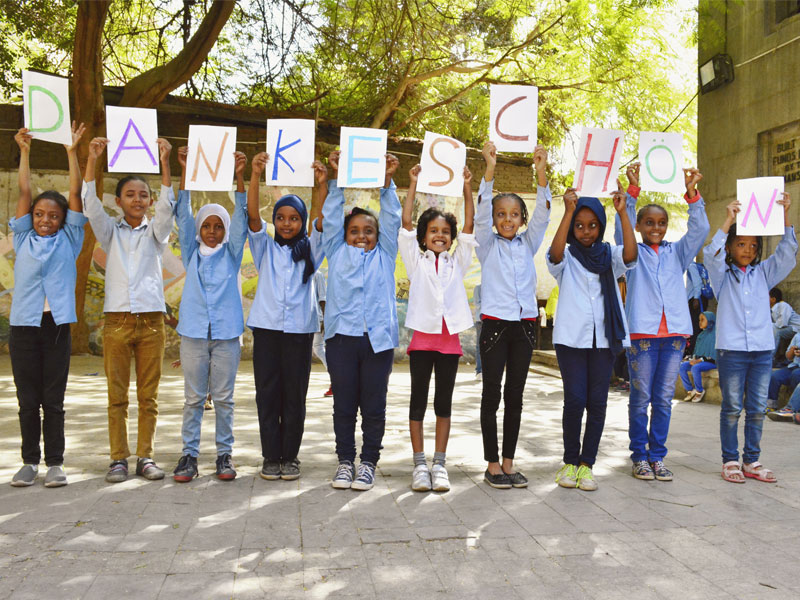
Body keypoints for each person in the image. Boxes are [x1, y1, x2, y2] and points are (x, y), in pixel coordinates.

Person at [83, 136, 175, 483]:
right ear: (119, 201)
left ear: (149, 200)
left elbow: (167, 207)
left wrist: (165, 162)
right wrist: (93, 158)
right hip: (117, 323)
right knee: (116, 395)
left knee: (148, 397)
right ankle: (118, 458)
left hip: (152, 323)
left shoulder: (156, 233)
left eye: (143, 194)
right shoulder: (110, 233)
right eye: (130, 195)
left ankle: (146, 457)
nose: (138, 199)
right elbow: (90, 203)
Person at [614, 162, 709, 482]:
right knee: (641, 397)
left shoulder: (677, 253)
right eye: (649, 222)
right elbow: (620, 229)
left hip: (674, 337)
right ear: (639, 226)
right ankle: (639, 455)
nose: (656, 227)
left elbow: (699, 231)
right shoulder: (631, 252)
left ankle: (658, 457)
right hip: (642, 333)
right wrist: (632, 191)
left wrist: (692, 193)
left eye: (662, 222)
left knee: (664, 398)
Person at [8, 124, 87, 488]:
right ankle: (29, 462)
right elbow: (24, 189)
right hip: (24, 327)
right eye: (39, 214)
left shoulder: (69, 239)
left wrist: (71, 152)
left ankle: (55, 463)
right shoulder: (22, 236)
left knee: (53, 400)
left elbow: (74, 192)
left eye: (53, 215)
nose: (45, 220)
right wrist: (25, 151)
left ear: (62, 220)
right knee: (27, 400)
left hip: (56, 327)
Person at [548, 182, 637, 492]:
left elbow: (630, 254)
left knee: (597, 403)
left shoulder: (609, 255)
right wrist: (567, 211)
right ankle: (569, 462)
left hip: (604, 341)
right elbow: (554, 255)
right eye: (580, 226)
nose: (585, 231)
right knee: (574, 399)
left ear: (601, 227)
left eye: (592, 225)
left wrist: (623, 213)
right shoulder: (568, 256)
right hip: (571, 339)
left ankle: (587, 465)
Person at [323, 150, 401, 491]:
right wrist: (337, 177)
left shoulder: (385, 254)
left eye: (368, 230)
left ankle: (368, 462)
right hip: (341, 339)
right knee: (344, 404)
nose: (361, 235)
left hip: (378, 340)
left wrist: (386, 181)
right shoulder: (336, 251)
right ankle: (344, 461)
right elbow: (329, 217)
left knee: (373, 403)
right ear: (343, 235)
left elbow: (393, 218)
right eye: (353, 230)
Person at [475, 141, 551, 489]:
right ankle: (492, 464)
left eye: (514, 214)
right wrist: (489, 167)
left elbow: (544, 216)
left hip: (523, 327)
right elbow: (477, 215)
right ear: (493, 220)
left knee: (515, 397)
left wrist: (540, 173)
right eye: (501, 214)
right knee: (492, 394)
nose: (508, 219)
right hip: (494, 326)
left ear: (521, 220)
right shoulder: (486, 244)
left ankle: (509, 462)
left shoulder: (528, 244)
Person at [704, 193, 795, 484]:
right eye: (741, 243)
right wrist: (729, 219)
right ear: (730, 246)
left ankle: (751, 461)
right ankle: (730, 460)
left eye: (754, 245)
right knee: (732, 408)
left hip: (761, 351)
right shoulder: (722, 276)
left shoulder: (764, 273)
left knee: (756, 409)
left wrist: (785, 215)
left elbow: (787, 252)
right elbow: (710, 255)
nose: (748, 249)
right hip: (732, 351)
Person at [170, 148, 248, 482]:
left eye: (218, 226)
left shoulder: (231, 254)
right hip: (193, 334)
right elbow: (183, 216)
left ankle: (224, 455)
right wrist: (185, 170)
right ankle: (189, 455)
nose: (212, 231)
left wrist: (240, 176)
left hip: (227, 334)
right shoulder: (191, 253)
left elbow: (243, 218)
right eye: (207, 226)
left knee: (225, 399)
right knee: (193, 398)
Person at [247, 152, 326, 482]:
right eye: (281, 217)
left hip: (298, 332)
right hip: (266, 330)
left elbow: (320, 220)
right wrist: (254, 175)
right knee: (267, 393)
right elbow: (252, 217)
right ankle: (270, 456)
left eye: (294, 218)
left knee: (294, 395)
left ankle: (290, 457)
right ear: (275, 220)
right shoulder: (264, 247)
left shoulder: (311, 249)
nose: (287, 223)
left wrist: (322, 184)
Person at [399, 163, 477, 493]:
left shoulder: (456, 263)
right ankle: (419, 464)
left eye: (445, 232)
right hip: (421, 343)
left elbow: (470, 225)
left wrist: (466, 188)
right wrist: (412, 183)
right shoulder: (416, 262)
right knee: (418, 403)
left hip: (449, 345)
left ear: (451, 238)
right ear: (423, 237)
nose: (440, 235)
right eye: (433, 231)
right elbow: (404, 223)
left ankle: (440, 464)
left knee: (443, 404)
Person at [678, 311, 717, 403]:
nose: (700, 322)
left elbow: (714, 356)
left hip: (712, 362)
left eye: (703, 320)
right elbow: (697, 352)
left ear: (710, 321)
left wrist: (699, 360)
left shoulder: (715, 335)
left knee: (695, 368)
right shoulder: (701, 335)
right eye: (699, 320)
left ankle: (699, 391)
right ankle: (690, 390)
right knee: (682, 366)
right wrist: (691, 358)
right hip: (700, 361)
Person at [766, 330, 800, 412]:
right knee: (774, 376)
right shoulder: (798, 335)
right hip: (794, 366)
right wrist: (792, 350)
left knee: (796, 375)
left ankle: (795, 408)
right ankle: (771, 405)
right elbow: (789, 357)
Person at [312, 269, 333, 397]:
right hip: (301, 320)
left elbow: (322, 299)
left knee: (319, 348)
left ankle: (336, 380)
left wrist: (324, 319)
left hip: (315, 318)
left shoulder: (317, 274)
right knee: (317, 348)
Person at [770, 287, 795, 367]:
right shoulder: (775, 307)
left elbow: (781, 324)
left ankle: (770, 358)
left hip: (796, 328)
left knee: (776, 331)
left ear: (773, 299)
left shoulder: (782, 305)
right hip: (790, 328)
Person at [472, 284, 482, 380]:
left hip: (493, 320)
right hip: (480, 320)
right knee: (479, 346)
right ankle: (479, 371)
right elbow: (477, 304)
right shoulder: (478, 288)